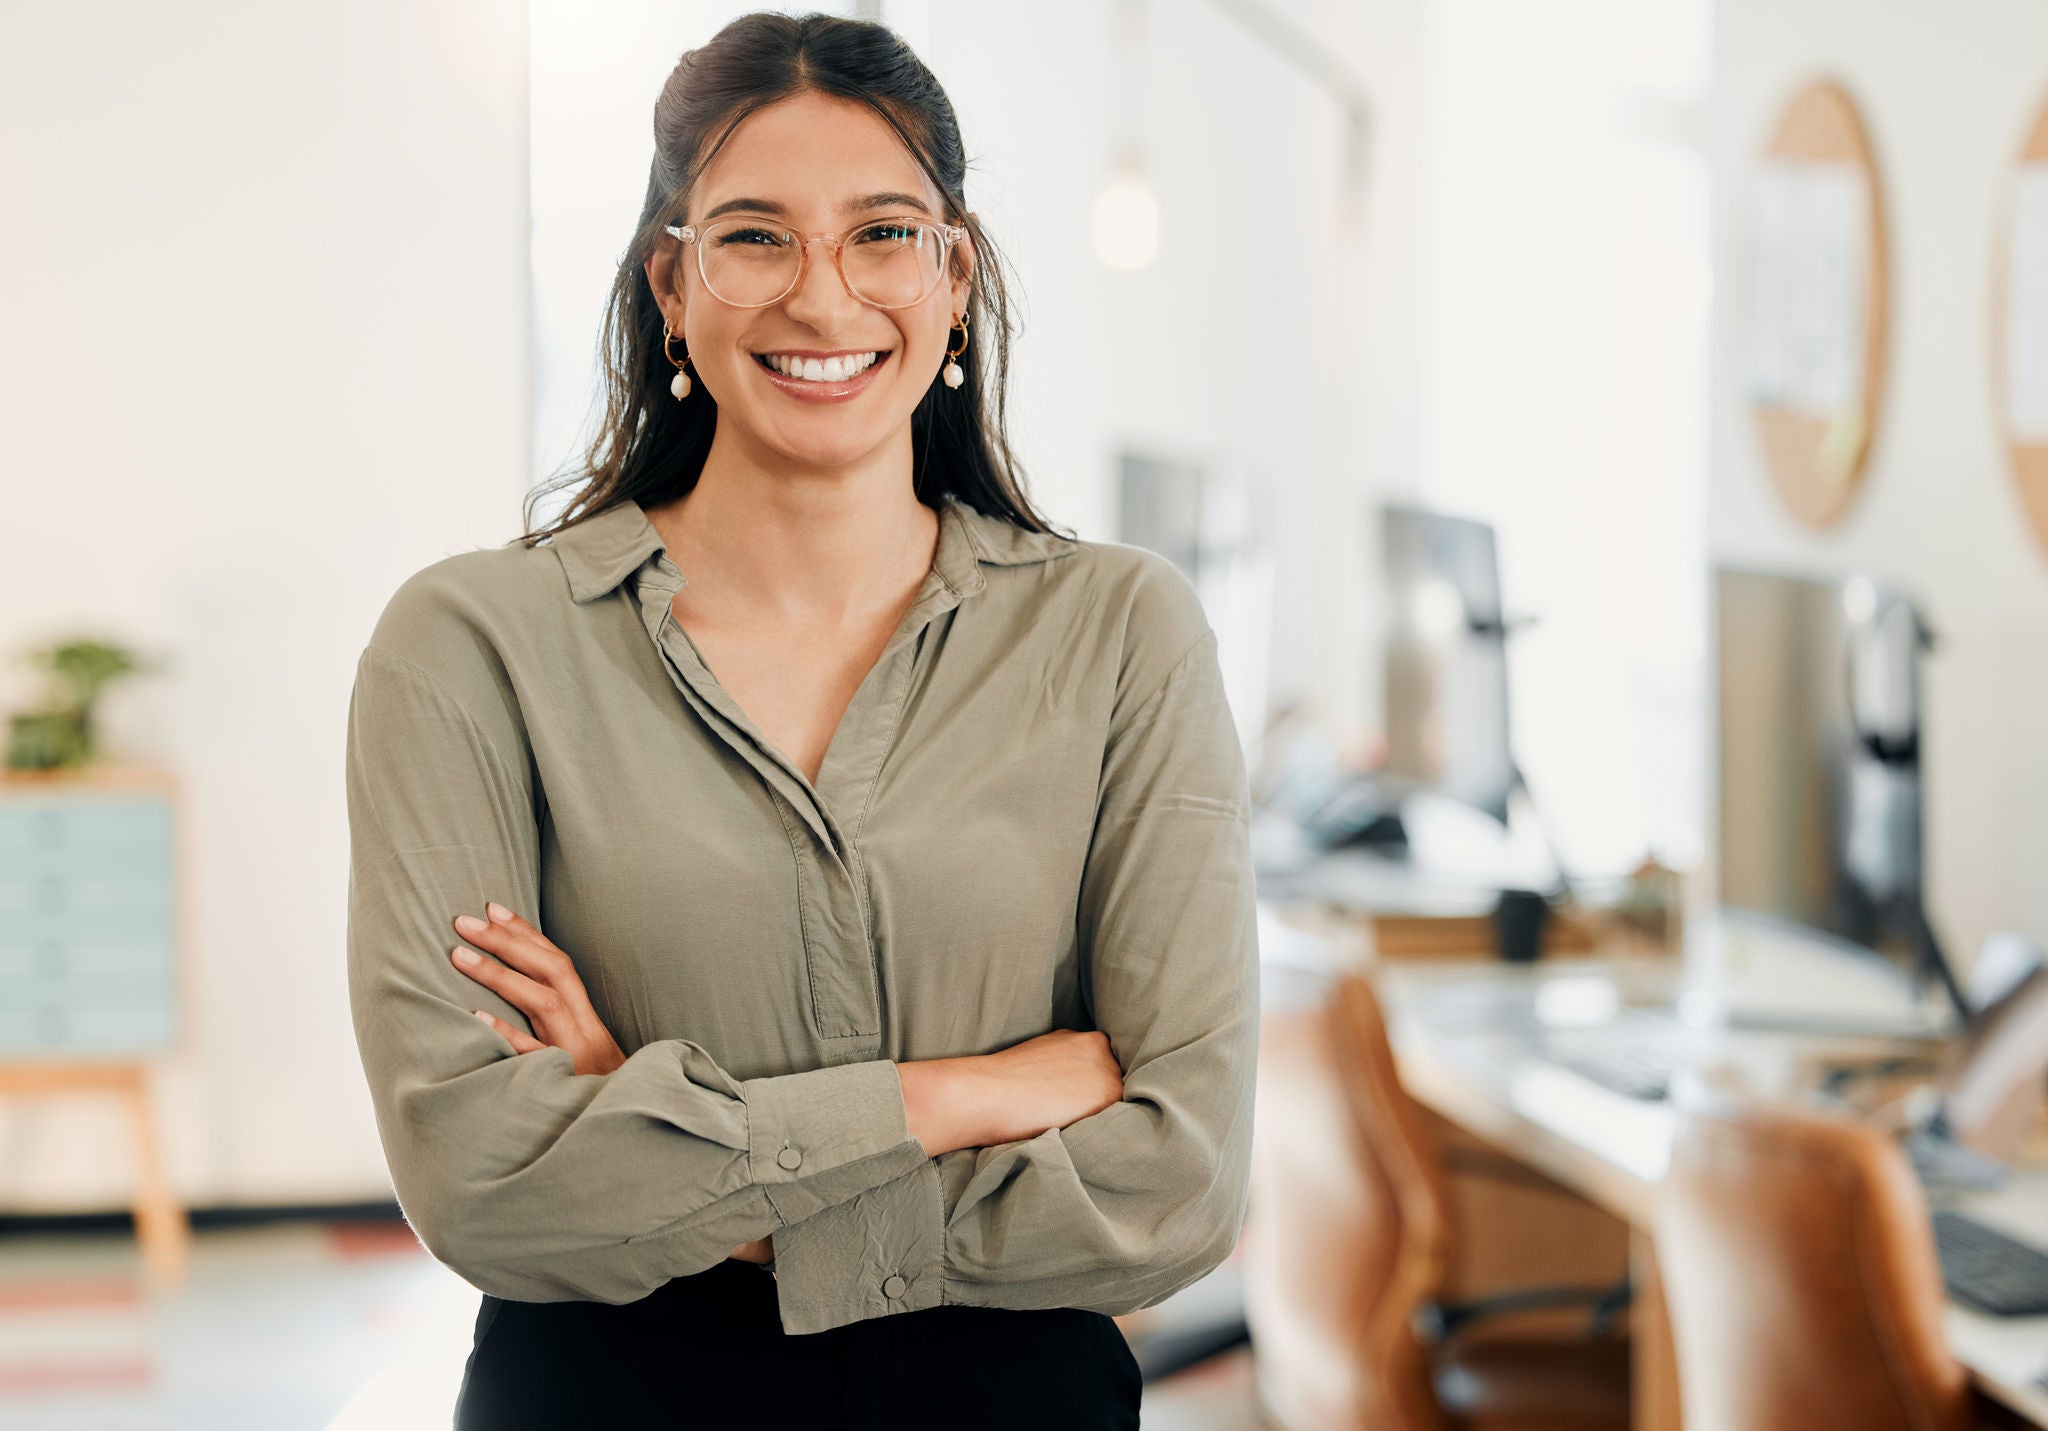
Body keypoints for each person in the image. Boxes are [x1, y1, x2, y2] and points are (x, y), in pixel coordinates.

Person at [343, 12, 1259, 1428]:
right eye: (756, 237)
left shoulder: (1122, 633)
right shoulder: (475, 649)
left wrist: (677, 1145)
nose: (825, 301)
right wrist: (965, 1093)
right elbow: (485, 1187)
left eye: (883, 233)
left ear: (953, 277)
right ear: (673, 281)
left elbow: (1181, 1187)